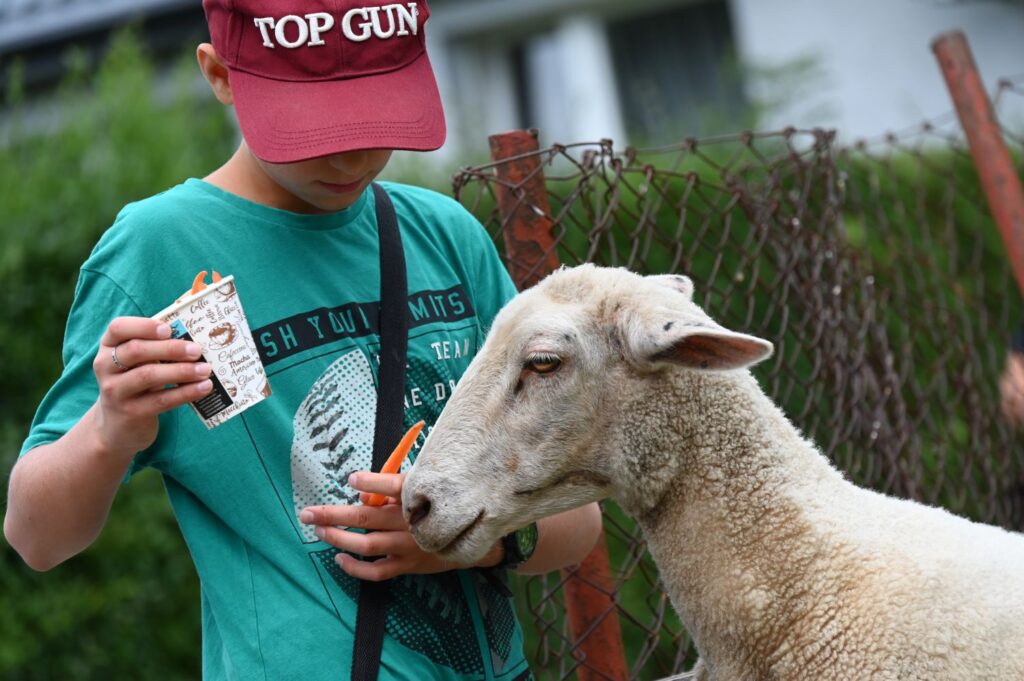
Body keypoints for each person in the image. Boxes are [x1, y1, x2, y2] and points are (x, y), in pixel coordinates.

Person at [3, 2, 604, 679]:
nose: (350, 154)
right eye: (313, 125)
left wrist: (469, 537)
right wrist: (111, 429)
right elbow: (35, 535)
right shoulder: (155, 252)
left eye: (374, 117)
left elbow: (579, 521)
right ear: (220, 74)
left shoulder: (446, 237)